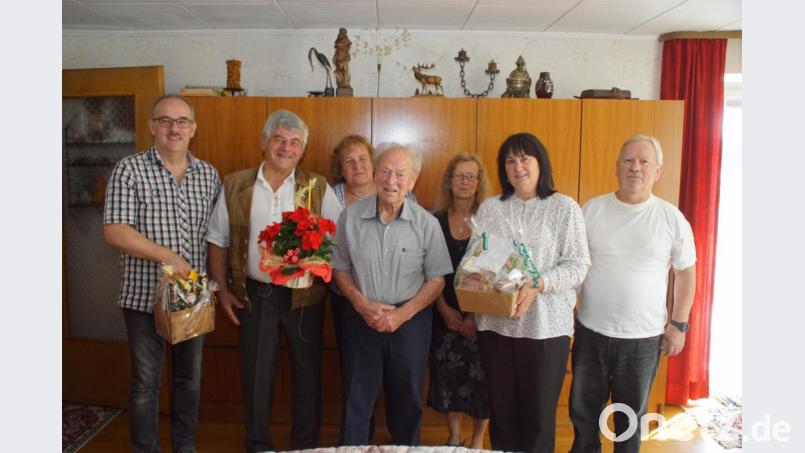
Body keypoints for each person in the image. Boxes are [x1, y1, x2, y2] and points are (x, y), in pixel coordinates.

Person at [206, 109, 342, 452]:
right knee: (256, 374)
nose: (286, 147)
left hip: (305, 298)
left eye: (295, 142)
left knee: (307, 374)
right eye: (279, 138)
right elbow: (217, 239)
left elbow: (339, 241)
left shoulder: (317, 187)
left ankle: (305, 445)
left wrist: (315, 264)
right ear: (265, 142)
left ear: (303, 150)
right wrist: (221, 291)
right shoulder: (236, 184)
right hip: (255, 295)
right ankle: (257, 444)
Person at [103, 94, 221, 453]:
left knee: (189, 381)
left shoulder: (209, 174)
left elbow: (217, 237)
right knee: (145, 384)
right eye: (166, 120)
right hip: (143, 299)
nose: (174, 128)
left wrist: (217, 286)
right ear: (153, 126)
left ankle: (185, 447)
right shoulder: (129, 169)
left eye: (182, 121)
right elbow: (115, 231)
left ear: (193, 128)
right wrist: (168, 256)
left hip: (192, 300)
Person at [569, 135, 696, 453]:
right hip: (590, 332)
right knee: (584, 415)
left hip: (643, 339)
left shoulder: (671, 218)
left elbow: (686, 274)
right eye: (628, 160)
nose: (635, 168)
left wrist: (679, 325)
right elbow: (573, 266)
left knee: (629, 421)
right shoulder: (592, 210)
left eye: (644, 162)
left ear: (658, 170)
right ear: (617, 167)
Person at [472, 133, 590, 453]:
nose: (518, 166)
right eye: (510, 160)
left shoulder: (564, 208)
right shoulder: (490, 209)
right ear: (503, 168)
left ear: (540, 163)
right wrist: (490, 275)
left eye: (525, 158)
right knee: (502, 416)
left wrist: (539, 284)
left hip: (546, 329)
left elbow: (578, 266)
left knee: (538, 420)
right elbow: (476, 261)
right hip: (496, 326)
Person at [332, 143, 453, 446]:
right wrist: (360, 303)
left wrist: (402, 314)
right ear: (375, 174)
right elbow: (339, 268)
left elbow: (437, 279)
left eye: (401, 174)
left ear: (413, 181)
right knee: (356, 398)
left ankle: (406, 448)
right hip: (361, 317)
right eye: (385, 172)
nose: (391, 181)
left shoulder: (426, 224)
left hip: (410, 320)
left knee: (408, 397)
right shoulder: (349, 218)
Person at [427, 153, 491, 448]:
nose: (464, 182)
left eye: (471, 176)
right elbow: (426, 268)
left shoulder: (490, 220)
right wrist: (443, 309)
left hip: (483, 315)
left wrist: (474, 316)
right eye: (459, 176)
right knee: (448, 375)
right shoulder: (433, 220)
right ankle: (454, 435)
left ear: (479, 183)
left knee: (483, 379)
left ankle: (477, 439)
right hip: (442, 311)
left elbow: (497, 270)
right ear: (449, 181)